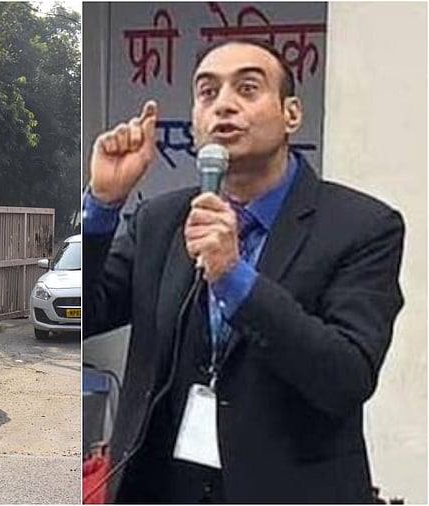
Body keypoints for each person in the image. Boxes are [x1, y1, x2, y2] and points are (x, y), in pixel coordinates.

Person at [83, 39, 405, 503]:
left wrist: (235, 278)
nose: (225, 105)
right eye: (207, 93)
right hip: (166, 489)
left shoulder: (362, 227)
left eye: (248, 88)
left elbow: (346, 376)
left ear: (291, 114)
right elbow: (82, 315)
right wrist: (102, 206)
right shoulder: (161, 221)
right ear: (194, 121)